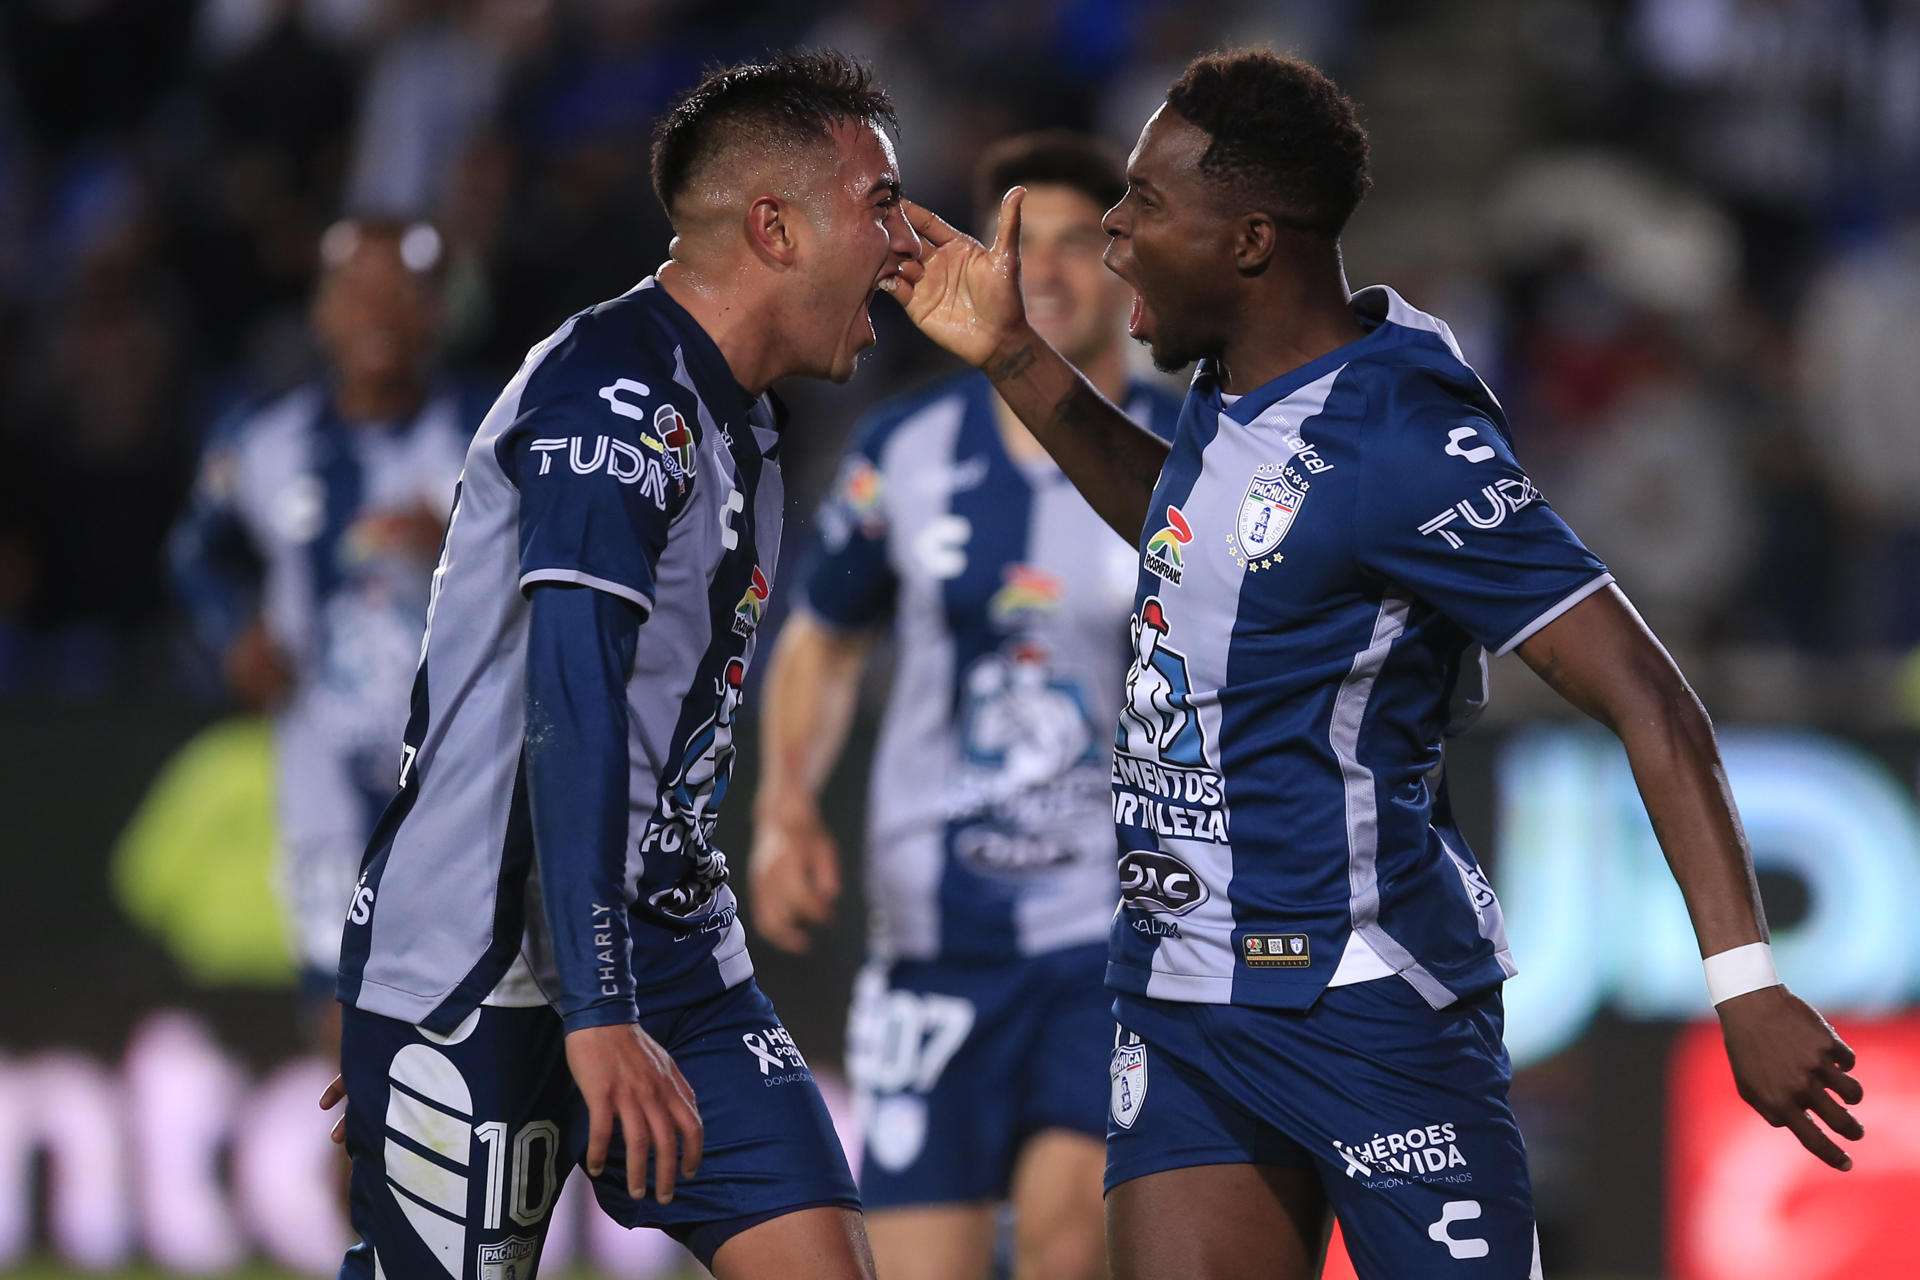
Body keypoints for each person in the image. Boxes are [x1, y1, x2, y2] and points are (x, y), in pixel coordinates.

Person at [883, 48, 1865, 1280]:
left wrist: (1745, 982)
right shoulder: (1236, 379)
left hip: (1366, 1005)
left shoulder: (1405, 440)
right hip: (1182, 996)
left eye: (1144, 204)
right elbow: (1199, 528)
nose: (1114, 237)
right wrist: (1019, 360)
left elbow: (1649, 695)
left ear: (1250, 242)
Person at [320, 52, 919, 1280]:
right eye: (881, 205)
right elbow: (572, 702)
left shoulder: (736, 415)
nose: (908, 245)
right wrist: (590, 1014)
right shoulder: (617, 391)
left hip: (675, 951)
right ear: (772, 226)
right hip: (494, 959)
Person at [749, 132, 1180, 1280]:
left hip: (1113, 931)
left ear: (1127, 263)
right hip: (931, 939)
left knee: (1063, 1239)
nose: (1045, 268)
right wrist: (785, 803)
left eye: (1081, 242)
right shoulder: (908, 451)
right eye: (1020, 241)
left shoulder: (1185, 458)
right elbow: (824, 640)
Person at [171, 217, 482, 1036]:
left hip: (469, 782)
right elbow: (195, 555)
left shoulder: (500, 436)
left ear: (438, 312)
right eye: (357, 291)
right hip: (324, 778)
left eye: (402, 292)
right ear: (320, 312)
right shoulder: (263, 443)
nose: (378, 311)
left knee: (484, 1045)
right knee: (348, 1045)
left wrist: (476, 545)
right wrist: (234, 635)